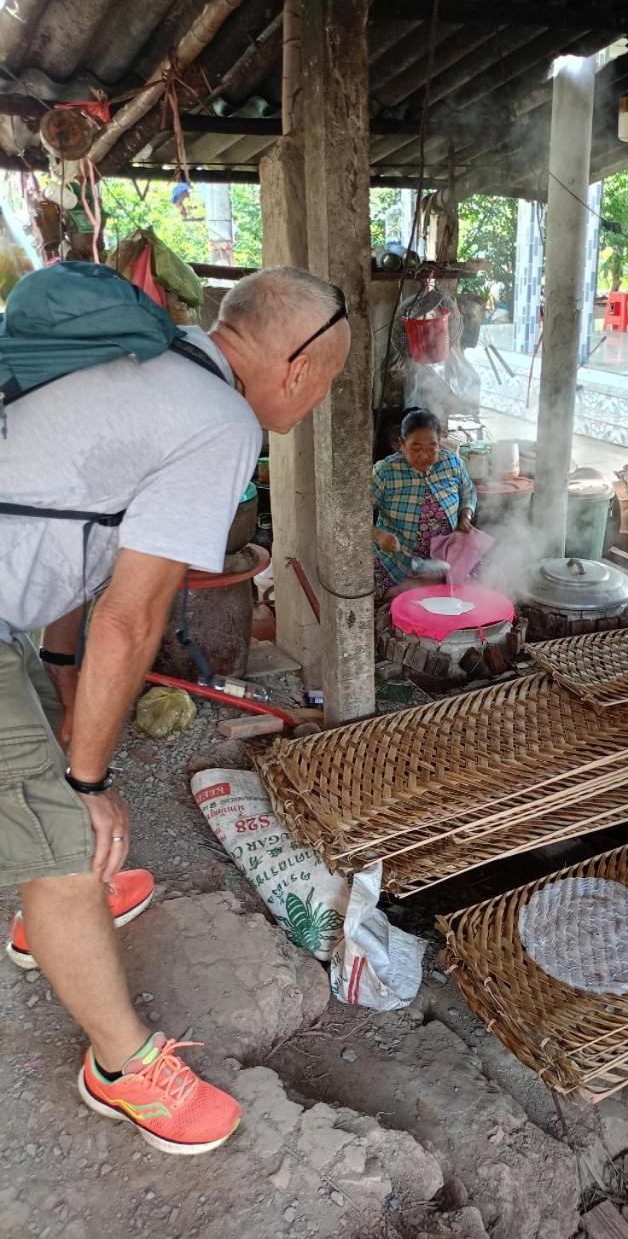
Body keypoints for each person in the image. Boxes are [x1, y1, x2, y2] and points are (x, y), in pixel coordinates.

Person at [0, 265, 350, 1154]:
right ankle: (121, 1068)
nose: (317, 398)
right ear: (298, 365)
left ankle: (48, 921)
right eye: (329, 379)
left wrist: (70, 701)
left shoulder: (154, 368)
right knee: (69, 841)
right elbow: (133, 614)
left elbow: (79, 552)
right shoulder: (219, 419)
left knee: (57, 799)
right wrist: (86, 781)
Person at [372, 408, 477, 602]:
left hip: (444, 556)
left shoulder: (451, 463)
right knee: (413, 597)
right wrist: (378, 535)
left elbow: (468, 490)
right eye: (416, 448)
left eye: (431, 448)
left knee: (473, 590)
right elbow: (356, 513)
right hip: (398, 561)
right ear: (401, 444)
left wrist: (465, 516)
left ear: (440, 443)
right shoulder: (385, 472)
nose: (424, 456)